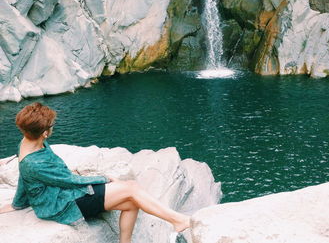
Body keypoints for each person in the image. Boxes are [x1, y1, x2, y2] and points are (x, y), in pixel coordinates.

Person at [0, 102, 190, 243]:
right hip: (62, 204)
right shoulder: (34, 163)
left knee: (132, 203)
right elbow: (70, 181)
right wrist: (104, 178)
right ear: (44, 133)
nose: (52, 127)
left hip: (62, 194)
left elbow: (24, 179)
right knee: (131, 188)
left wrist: (17, 203)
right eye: (51, 126)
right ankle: (178, 220)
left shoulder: (27, 143)